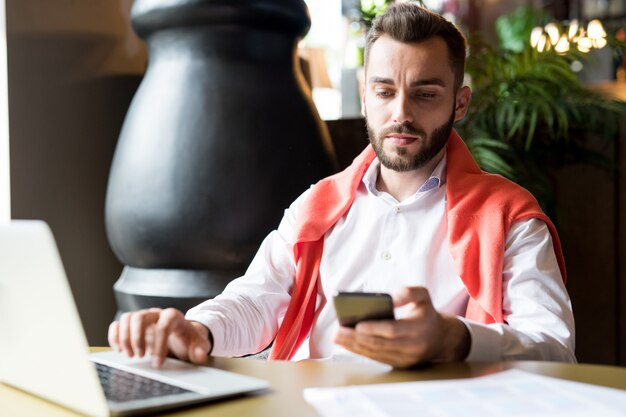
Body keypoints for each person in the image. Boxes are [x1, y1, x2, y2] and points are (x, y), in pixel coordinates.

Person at [108, 3, 575, 368]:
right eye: (385, 91)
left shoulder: (510, 217)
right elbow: (257, 299)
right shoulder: (318, 205)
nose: (401, 114)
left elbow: (555, 347)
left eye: (426, 93)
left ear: (460, 102)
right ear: (365, 94)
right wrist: (199, 331)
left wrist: (458, 340)